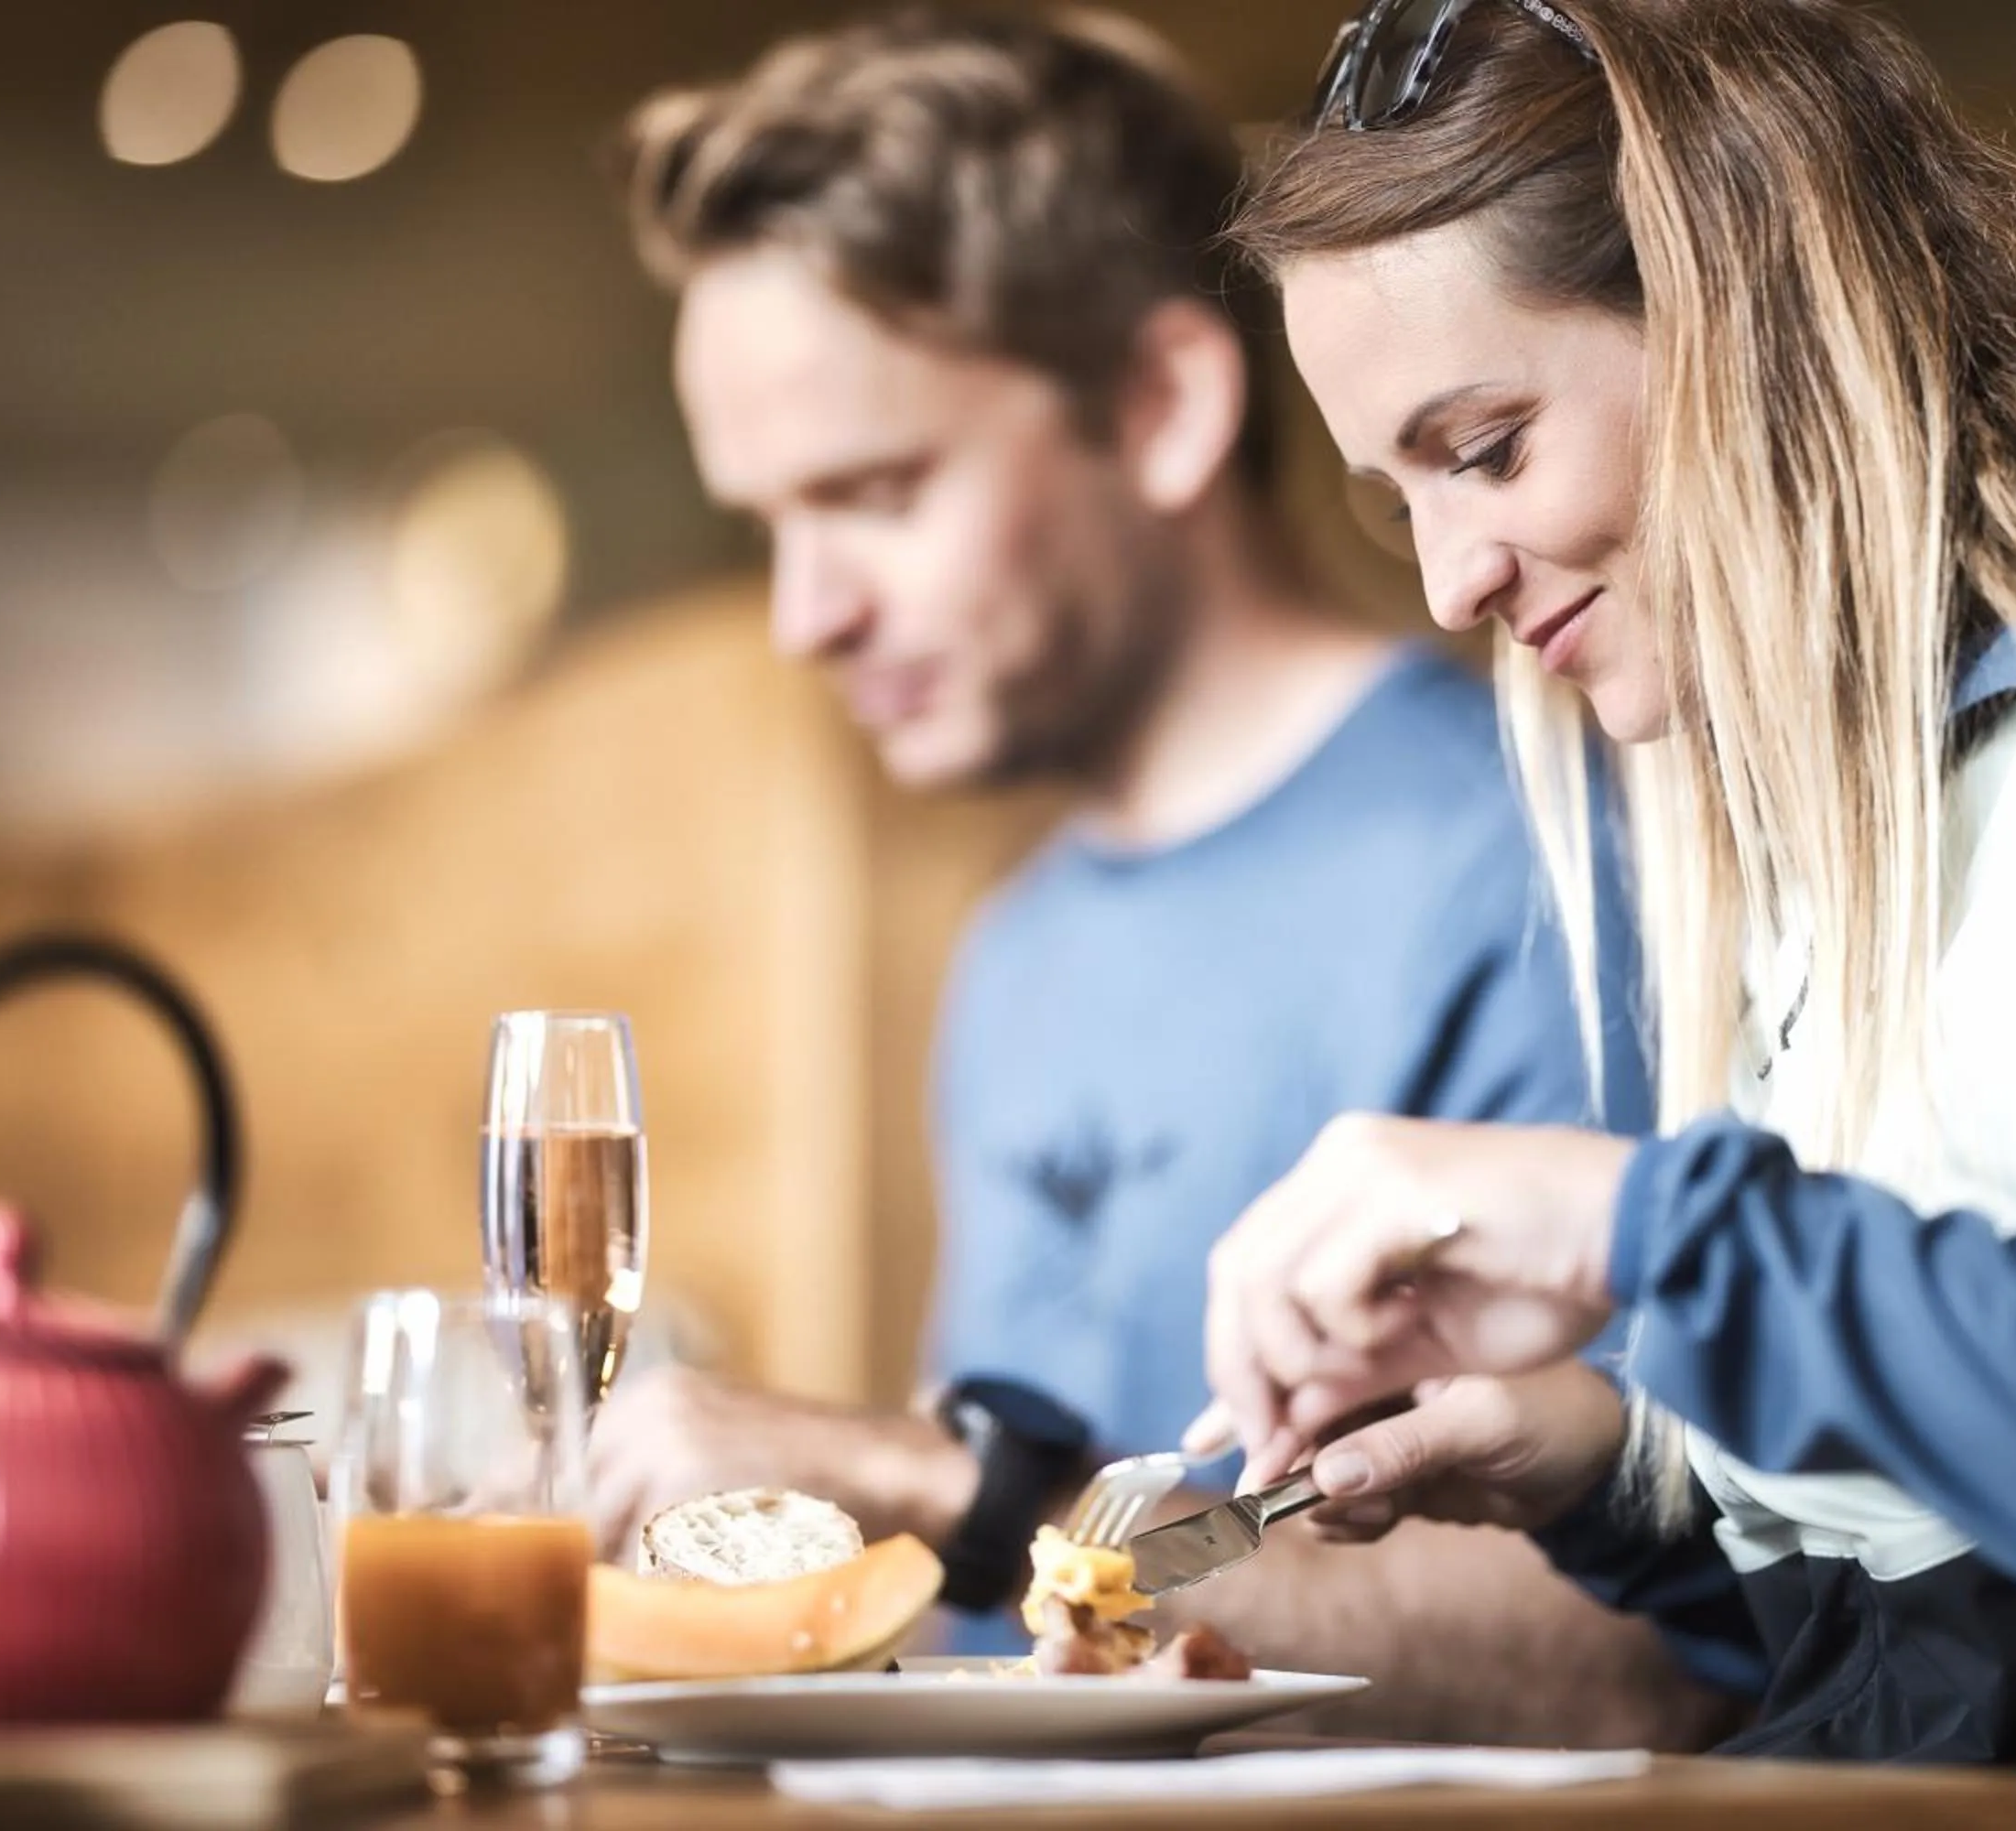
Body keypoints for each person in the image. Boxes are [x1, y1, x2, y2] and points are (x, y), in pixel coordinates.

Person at [1191, 0, 2016, 1823]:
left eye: (1482, 448)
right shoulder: (1808, 794)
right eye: (1400, 499)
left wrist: (1655, 1230)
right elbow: (1949, 1660)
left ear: (1750, 309)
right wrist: (1619, 1472)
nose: (1456, 578)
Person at [582, 7, 1736, 1748]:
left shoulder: (1540, 860)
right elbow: (1015, 1619)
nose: (804, 614)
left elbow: (1652, 1646)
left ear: (1165, 405)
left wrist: (942, 1482)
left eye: (875, 491)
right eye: (770, 526)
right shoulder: (1019, 947)